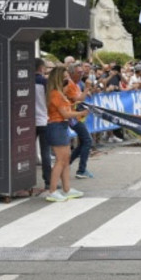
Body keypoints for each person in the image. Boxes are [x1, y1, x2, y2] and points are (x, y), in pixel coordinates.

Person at [45, 66, 88, 202]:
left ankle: (67, 189)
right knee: (61, 160)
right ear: (58, 78)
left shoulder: (59, 92)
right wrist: (80, 113)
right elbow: (65, 113)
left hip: (61, 126)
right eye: (64, 77)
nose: (67, 79)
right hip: (56, 125)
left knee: (66, 159)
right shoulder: (55, 94)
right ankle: (52, 191)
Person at [65, 63, 94, 179]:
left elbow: (80, 98)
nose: (82, 75)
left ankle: (67, 164)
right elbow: (79, 98)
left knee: (83, 141)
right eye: (79, 73)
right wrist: (87, 88)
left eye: (82, 72)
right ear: (71, 73)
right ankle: (81, 170)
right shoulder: (70, 84)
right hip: (72, 117)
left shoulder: (76, 84)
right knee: (87, 140)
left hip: (77, 115)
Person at [34, 58, 52, 190]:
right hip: (44, 119)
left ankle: (24, 180)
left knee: (24, 152)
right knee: (45, 151)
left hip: (26, 121)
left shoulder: (22, 80)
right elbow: (50, 100)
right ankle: (48, 181)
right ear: (41, 68)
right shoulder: (45, 82)